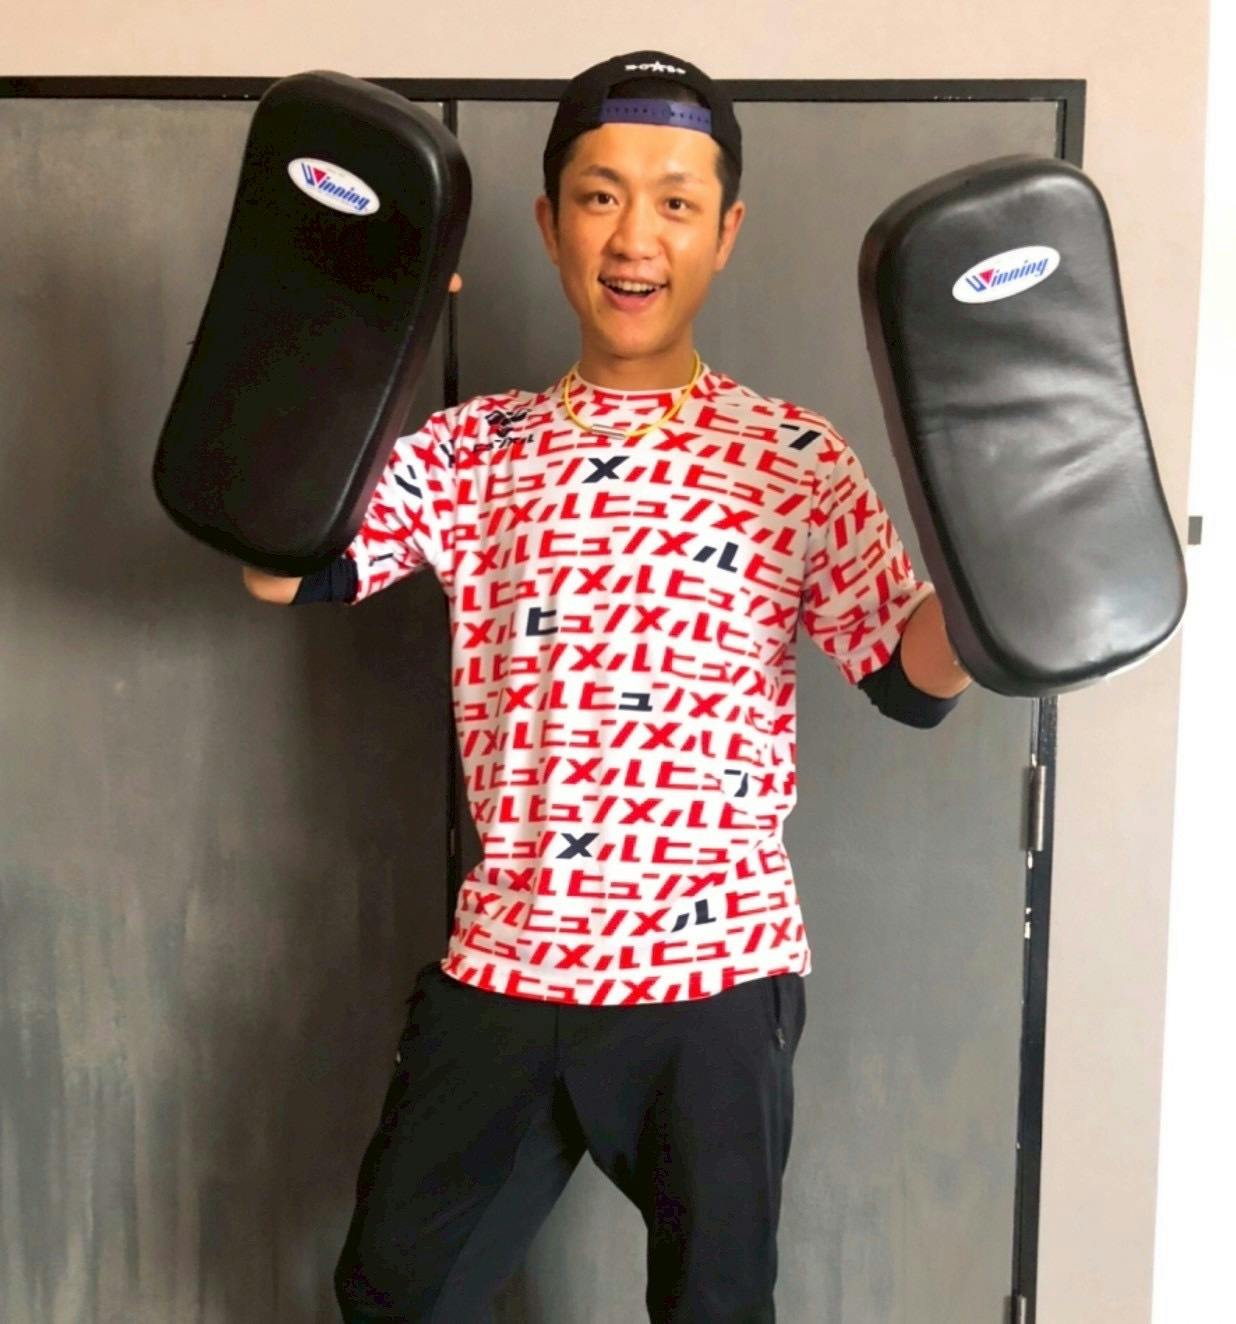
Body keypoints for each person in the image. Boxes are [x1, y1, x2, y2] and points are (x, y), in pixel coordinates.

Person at [244, 48, 972, 1324]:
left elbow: (910, 678)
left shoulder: (797, 458)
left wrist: (994, 574)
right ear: (550, 222)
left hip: (717, 976)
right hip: (510, 961)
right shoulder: (471, 450)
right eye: (599, 196)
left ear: (725, 232)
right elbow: (281, 570)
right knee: (395, 1293)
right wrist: (358, 339)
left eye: (676, 202)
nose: (636, 237)